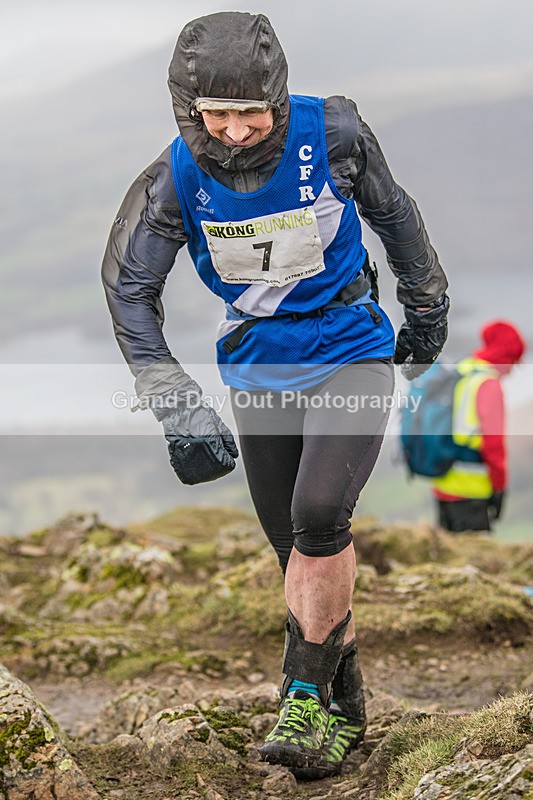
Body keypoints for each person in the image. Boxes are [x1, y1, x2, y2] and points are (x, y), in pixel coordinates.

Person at [102, 11, 449, 777]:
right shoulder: (172, 177)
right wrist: (174, 402)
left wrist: (425, 304)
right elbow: (129, 288)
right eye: (215, 116)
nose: (232, 131)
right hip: (258, 366)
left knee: (319, 517)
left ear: (279, 97)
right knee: (293, 550)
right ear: (188, 110)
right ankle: (345, 700)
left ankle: (297, 696)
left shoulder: (333, 134)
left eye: (249, 113)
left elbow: (392, 214)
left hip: (350, 347)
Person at [432, 321, 525, 533]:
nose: (513, 369)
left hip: (443, 482)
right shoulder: (489, 385)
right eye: (514, 360)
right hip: (471, 493)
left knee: (447, 560)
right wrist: (500, 487)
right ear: (506, 355)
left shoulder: (464, 370)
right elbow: (493, 444)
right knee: (471, 562)